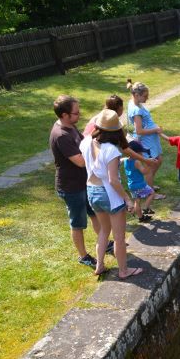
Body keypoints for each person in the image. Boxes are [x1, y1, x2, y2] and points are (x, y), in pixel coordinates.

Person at [81, 109, 143, 279]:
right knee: (119, 237)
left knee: (103, 231)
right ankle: (123, 271)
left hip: (92, 191)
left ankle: (99, 265)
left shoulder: (86, 141)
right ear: (116, 131)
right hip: (109, 194)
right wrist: (127, 199)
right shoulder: (112, 150)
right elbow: (113, 180)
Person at [50, 95, 107, 268]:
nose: (79, 116)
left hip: (84, 182)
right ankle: (83, 256)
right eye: (76, 113)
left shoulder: (71, 126)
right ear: (65, 115)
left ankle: (105, 242)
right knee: (77, 223)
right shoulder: (61, 135)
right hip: (71, 187)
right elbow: (80, 161)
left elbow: (84, 142)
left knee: (95, 213)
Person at [127, 79, 165, 199]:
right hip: (146, 141)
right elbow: (139, 131)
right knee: (150, 166)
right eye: (145, 96)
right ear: (137, 95)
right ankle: (150, 193)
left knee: (159, 160)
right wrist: (155, 129)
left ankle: (149, 184)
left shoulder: (135, 103)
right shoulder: (136, 110)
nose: (147, 98)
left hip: (151, 140)